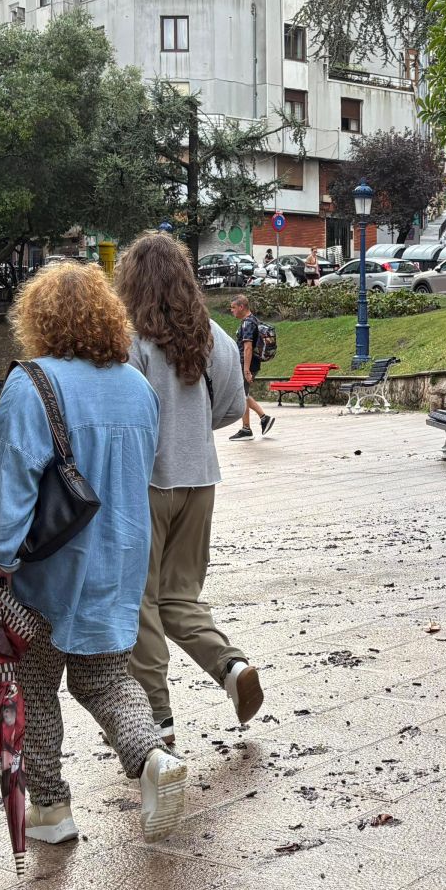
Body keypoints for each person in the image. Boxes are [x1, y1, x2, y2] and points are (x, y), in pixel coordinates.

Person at [0, 261, 186, 845]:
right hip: (120, 556)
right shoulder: (137, 386)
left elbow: (15, 481)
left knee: (33, 685)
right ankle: (151, 758)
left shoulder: (31, 383)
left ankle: (52, 811)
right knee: (106, 678)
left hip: (49, 564)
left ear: (35, 318)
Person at [115, 233, 266, 744]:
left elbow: (122, 417)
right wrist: (193, 427)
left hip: (145, 484)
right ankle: (231, 666)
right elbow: (232, 406)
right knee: (180, 595)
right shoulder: (214, 336)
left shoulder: (129, 339)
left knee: (141, 601)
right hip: (201, 480)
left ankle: (157, 720)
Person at [227, 293, 275, 440]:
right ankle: (247, 427)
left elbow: (247, 347)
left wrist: (246, 369)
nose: (232, 310)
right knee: (242, 394)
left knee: (242, 394)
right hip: (250, 363)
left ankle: (262, 419)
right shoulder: (253, 320)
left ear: (242, 307)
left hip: (246, 364)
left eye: (233, 307)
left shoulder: (247, 323)